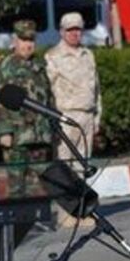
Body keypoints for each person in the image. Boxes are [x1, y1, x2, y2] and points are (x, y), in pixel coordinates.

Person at [0, 18, 53, 197]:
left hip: (39, 136)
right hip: (17, 136)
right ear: (15, 40)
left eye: (31, 40)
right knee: (17, 186)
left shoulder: (39, 65)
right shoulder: (5, 66)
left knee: (39, 186)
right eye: (24, 40)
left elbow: (48, 98)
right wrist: (4, 131)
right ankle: (18, 223)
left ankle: (38, 221)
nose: (28, 45)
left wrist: (52, 126)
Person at [44, 11, 101, 163]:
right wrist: (53, 120)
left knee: (83, 164)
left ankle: (80, 187)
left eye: (78, 29)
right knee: (64, 165)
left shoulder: (88, 55)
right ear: (62, 32)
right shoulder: (53, 56)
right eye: (70, 30)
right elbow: (47, 91)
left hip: (87, 116)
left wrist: (97, 117)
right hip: (66, 117)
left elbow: (96, 90)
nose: (75, 33)